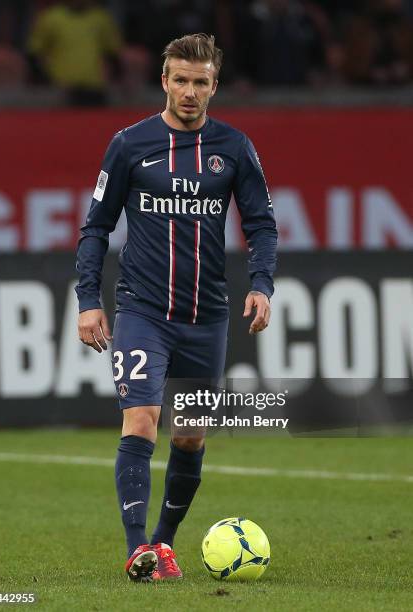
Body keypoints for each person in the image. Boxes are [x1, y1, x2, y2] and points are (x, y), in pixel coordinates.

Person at [75, 33, 278, 582]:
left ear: (215, 85)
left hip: (206, 316)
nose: (190, 92)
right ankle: (137, 545)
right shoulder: (129, 144)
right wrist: (88, 300)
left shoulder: (234, 147)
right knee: (141, 418)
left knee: (190, 435)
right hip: (142, 311)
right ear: (164, 80)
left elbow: (260, 222)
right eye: (180, 80)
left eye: (201, 82)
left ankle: (163, 546)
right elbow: (96, 227)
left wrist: (262, 284)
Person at [28, 0, 122, 106]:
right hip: (61, 89)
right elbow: (35, 52)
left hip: (95, 88)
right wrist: (44, 80)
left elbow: (112, 53)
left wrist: (116, 80)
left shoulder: (100, 18)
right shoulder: (51, 17)